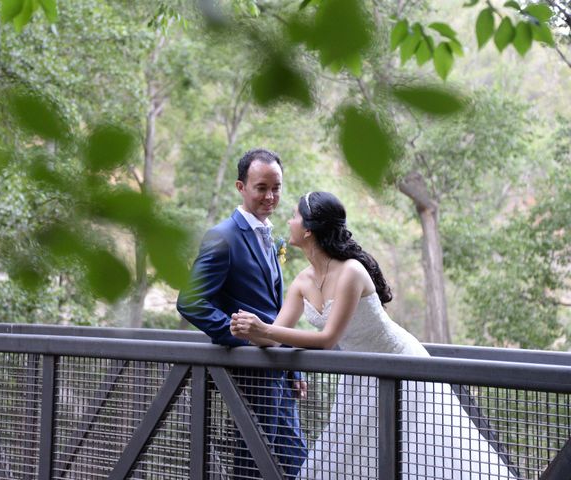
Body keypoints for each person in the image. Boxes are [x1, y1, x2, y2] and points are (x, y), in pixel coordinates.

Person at [230, 191, 517, 480]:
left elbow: (328, 339)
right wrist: (248, 330)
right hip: (358, 375)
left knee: (422, 454)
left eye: (294, 216)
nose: (288, 221)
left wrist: (265, 329)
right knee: (347, 455)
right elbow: (276, 335)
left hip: (401, 367)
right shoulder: (302, 281)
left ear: (308, 229)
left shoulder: (351, 273)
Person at [176, 148, 307, 478]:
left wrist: (294, 367)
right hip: (250, 375)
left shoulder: (272, 236)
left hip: (279, 372)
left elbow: (275, 312)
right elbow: (190, 301)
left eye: (276, 187)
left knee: (298, 464)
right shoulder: (223, 237)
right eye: (261, 187)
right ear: (241, 187)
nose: (270, 196)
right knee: (253, 466)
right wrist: (239, 333)